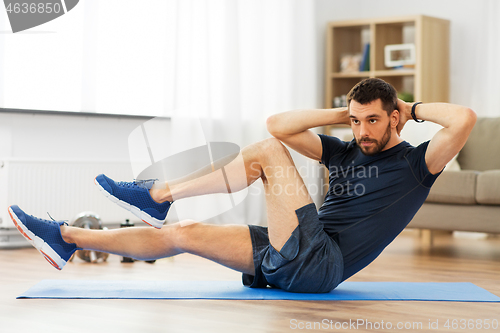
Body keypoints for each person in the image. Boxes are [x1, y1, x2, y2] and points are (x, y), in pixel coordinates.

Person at [8, 78, 477, 293]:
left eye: (373, 121)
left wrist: (407, 107)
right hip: (290, 254)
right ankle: (66, 238)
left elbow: (464, 119)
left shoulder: (417, 165)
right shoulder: (346, 148)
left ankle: (155, 195)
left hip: (321, 263)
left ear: (393, 117)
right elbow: (279, 123)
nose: (362, 132)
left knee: (266, 154)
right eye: (356, 122)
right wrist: (348, 112)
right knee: (183, 233)